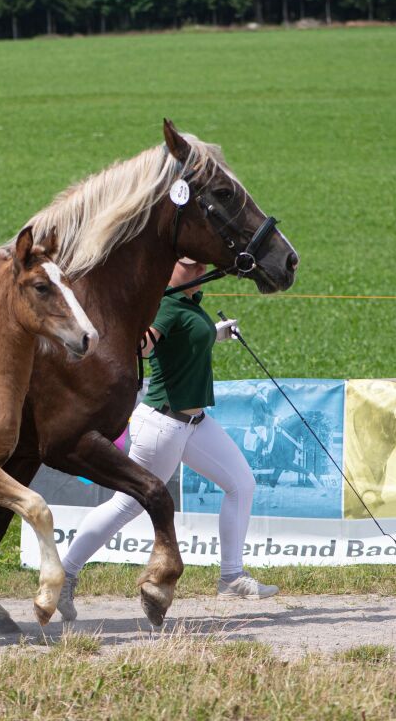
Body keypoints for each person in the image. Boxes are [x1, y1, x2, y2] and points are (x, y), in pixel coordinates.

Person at [57, 257, 278, 620]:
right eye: (190, 267)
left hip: (194, 424)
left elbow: (183, 341)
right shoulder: (166, 303)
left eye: (202, 267)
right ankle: (63, 575)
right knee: (127, 505)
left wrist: (217, 333)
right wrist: (134, 334)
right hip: (162, 423)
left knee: (242, 483)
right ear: (170, 269)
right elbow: (145, 346)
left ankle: (231, 578)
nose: (200, 272)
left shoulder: (188, 302)